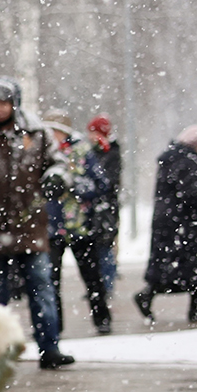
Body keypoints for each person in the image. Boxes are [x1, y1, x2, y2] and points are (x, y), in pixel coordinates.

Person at [0, 78, 73, 369]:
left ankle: (50, 347)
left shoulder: (37, 134)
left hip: (30, 226)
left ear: (14, 104)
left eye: (4, 103)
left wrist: (57, 176)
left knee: (41, 288)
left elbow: (59, 162)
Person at [135, 124, 197, 325]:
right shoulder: (186, 162)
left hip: (169, 221)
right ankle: (149, 297)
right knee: (190, 265)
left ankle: (193, 307)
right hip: (181, 222)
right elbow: (190, 196)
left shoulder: (172, 158)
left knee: (174, 267)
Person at [67, 116, 123, 334]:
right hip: (90, 214)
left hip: (105, 211)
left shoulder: (111, 152)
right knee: (97, 252)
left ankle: (106, 286)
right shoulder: (87, 151)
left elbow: (108, 182)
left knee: (106, 249)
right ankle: (102, 290)